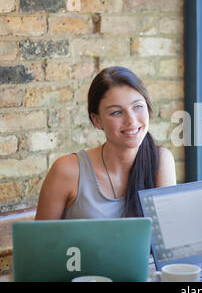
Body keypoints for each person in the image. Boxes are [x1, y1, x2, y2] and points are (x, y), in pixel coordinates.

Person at [35, 66, 176, 220]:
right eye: (116, 112)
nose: (131, 120)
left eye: (137, 107)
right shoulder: (67, 170)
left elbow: (167, 233)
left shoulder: (161, 160)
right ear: (97, 120)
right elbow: (39, 242)